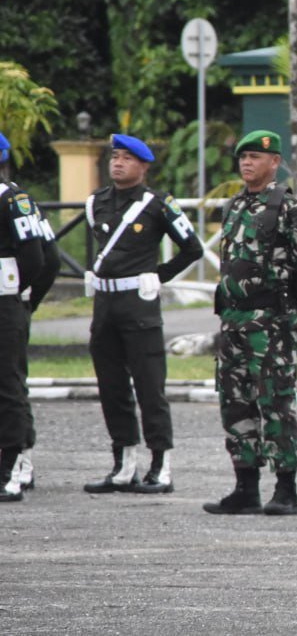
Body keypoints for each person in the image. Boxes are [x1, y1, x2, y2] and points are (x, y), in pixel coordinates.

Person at [203, 130, 297, 516]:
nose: (247, 163)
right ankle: (245, 486)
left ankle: (286, 488)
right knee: (234, 402)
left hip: (270, 323)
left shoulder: (289, 207)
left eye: (255, 156)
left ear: (274, 162)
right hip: (233, 321)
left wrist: (288, 309)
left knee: (275, 403)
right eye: (243, 157)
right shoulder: (233, 206)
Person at [83, 134, 203, 495]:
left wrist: (157, 276)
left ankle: (160, 466)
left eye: (126, 159)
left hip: (139, 304)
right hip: (105, 305)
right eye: (114, 157)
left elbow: (192, 248)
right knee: (111, 387)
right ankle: (123, 465)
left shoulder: (157, 204)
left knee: (150, 386)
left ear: (143, 166)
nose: (118, 163)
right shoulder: (96, 202)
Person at [0, 130, 57, 503]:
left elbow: (40, 259)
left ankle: (12, 466)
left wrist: (24, 299)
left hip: (5, 300)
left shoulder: (13, 200)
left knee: (8, 385)